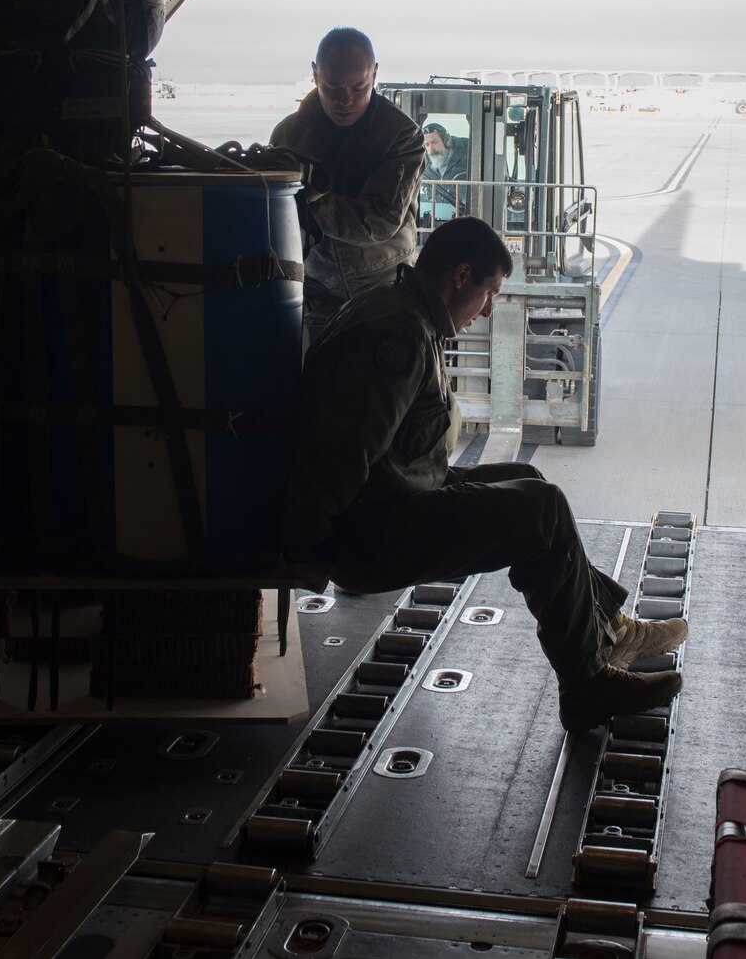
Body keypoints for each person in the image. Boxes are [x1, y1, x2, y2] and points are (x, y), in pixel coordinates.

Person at [287, 216, 685, 732]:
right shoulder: (396, 337)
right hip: (365, 536)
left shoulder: (403, 311)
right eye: (490, 292)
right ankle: (588, 682)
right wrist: (309, 551)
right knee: (542, 512)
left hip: (391, 498)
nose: (489, 308)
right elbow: (336, 456)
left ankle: (608, 629)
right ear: (460, 275)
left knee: (530, 480)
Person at [271, 27, 425, 344]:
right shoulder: (287, 136)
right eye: (333, 88)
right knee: (313, 383)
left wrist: (309, 195)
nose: (346, 100)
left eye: (359, 87)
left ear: (375, 74)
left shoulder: (402, 136)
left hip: (384, 287)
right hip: (316, 288)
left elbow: (379, 222)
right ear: (315, 75)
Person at [417, 122, 471, 226]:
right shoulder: (423, 161)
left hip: (466, 216)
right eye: (427, 145)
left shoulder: (468, 149)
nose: (431, 149)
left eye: (434, 142)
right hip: (438, 219)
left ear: (446, 141)